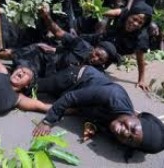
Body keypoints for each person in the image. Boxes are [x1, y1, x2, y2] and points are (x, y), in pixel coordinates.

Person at [33, 65, 164, 154]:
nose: (125, 133)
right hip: (76, 78)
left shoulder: (120, 126)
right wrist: (48, 122)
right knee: (34, 86)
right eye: (133, 129)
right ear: (137, 117)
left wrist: (93, 127)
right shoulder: (113, 96)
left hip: (82, 97)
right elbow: (70, 97)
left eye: (129, 139)